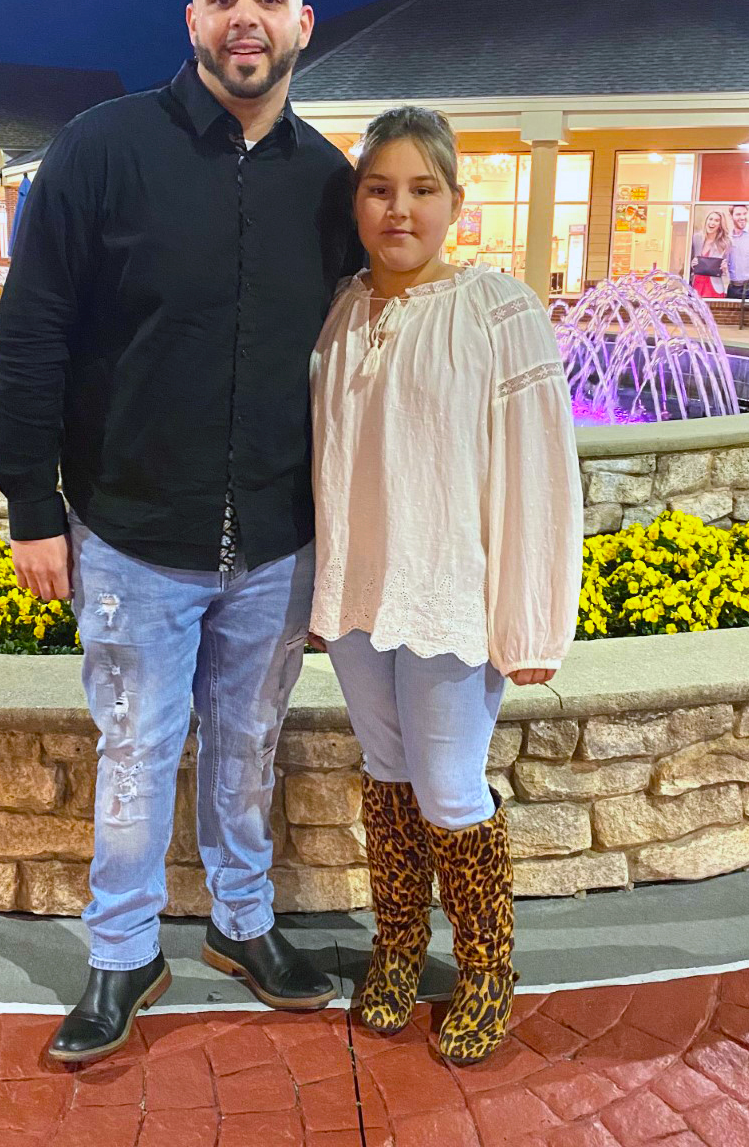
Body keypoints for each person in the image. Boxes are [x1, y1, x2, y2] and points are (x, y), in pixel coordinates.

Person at [0, 0, 360, 1064]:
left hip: (277, 543)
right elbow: (31, 336)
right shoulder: (98, 153)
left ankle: (245, 928)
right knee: (137, 754)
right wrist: (33, 506)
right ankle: (121, 952)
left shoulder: (328, 184)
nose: (243, 15)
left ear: (301, 24)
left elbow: (369, 343)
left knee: (247, 748)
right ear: (191, 18)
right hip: (134, 535)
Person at [309, 107, 583, 1066]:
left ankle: (486, 966)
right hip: (358, 593)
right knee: (385, 776)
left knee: (448, 785)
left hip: (448, 597)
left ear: (455, 203)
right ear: (356, 203)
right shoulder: (341, 309)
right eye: (379, 188)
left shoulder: (497, 309)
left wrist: (533, 619)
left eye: (422, 189)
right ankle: (396, 946)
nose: (399, 208)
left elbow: (538, 470)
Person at [690, 209, 731, 298]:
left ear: (720, 225)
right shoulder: (696, 238)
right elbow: (686, 262)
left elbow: (730, 270)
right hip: (696, 285)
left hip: (714, 287)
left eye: (716, 221)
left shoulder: (725, 243)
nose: (712, 222)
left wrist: (725, 269)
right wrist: (692, 264)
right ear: (706, 221)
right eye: (710, 219)